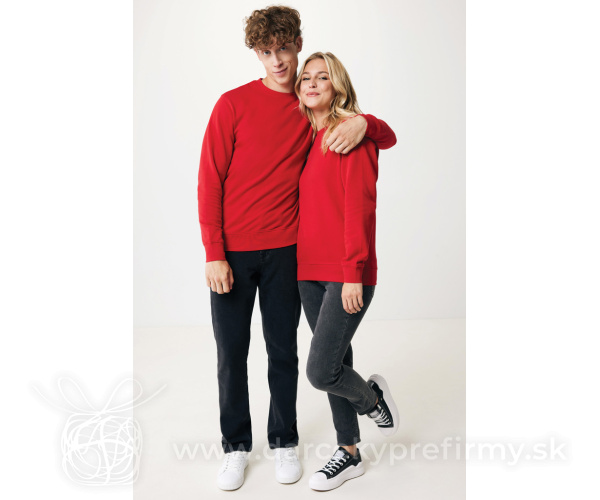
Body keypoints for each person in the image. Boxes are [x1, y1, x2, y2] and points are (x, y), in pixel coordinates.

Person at [197, 7, 396, 491]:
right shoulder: (232, 104)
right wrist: (213, 251)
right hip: (233, 254)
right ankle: (235, 448)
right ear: (256, 54)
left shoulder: (310, 110)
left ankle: (284, 440)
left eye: (285, 49)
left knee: (283, 352)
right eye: (266, 52)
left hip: (288, 252)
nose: (278, 61)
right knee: (231, 355)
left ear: (298, 44)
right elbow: (209, 180)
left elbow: (380, 136)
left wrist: (365, 123)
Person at [294, 52, 400, 491]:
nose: (312, 83)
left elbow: (360, 208)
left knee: (321, 371)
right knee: (337, 360)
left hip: (344, 272)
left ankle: (373, 399)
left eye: (323, 77)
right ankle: (350, 453)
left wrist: (354, 271)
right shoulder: (306, 137)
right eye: (306, 77)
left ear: (337, 85)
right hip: (307, 271)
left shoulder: (349, 134)